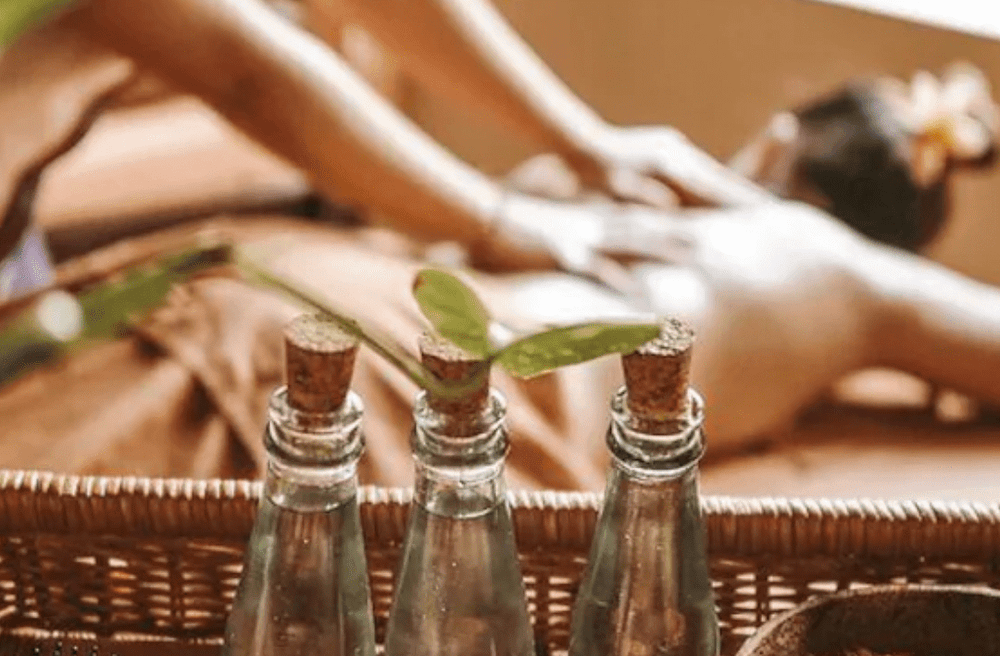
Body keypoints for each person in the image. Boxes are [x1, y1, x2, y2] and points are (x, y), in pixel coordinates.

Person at [21, 0, 1000, 454]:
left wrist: (529, 186)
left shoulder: (574, 205)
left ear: (777, 144)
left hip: (294, 306)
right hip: (394, 369)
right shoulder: (840, 275)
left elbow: (244, 56)